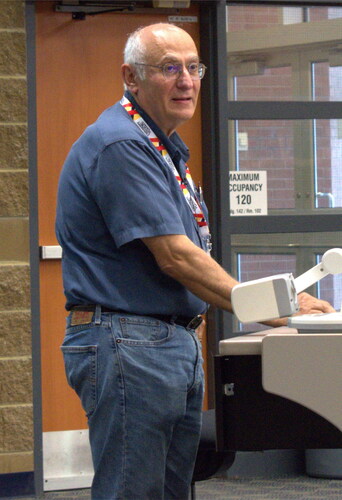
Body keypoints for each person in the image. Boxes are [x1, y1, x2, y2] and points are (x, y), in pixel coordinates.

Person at [55, 23, 334, 500]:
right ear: (131, 77)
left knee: (170, 491)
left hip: (165, 340)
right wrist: (276, 309)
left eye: (193, 67)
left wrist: (271, 299)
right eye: (168, 68)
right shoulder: (123, 144)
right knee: (134, 492)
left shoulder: (162, 147)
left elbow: (192, 256)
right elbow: (177, 258)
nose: (186, 81)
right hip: (130, 342)